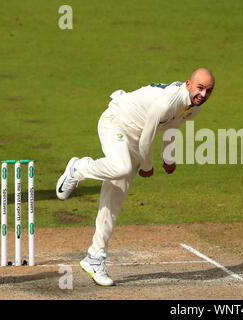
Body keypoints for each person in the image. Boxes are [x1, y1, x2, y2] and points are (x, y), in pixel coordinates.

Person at [56, 68, 215, 286]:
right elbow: (146, 141)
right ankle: (79, 168)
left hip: (136, 138)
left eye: (209, 91)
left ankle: (95, 256)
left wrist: (168, 158)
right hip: (117, 123)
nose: (204, 94)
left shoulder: (193, 106)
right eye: (200, 88)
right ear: (188, 84)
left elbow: (172, 128)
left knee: (115, 199)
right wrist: (147, 165)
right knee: (121, 167)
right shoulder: (166, 102)